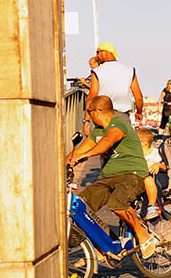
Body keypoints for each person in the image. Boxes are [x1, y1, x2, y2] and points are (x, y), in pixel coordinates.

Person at [65, 96, 157, 257]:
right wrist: (63, 163)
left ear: (98, 111)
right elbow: (78, 151)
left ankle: (142, 234)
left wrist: (85, 156)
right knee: (81, 207)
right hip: (108, 178)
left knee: (117, 204)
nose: (88, 115)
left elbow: (108, 142)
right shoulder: (97, 131)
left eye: (89, 112)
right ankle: (106, 246)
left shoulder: (119, 125)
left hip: (132, 174)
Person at [86, 42, 144, 124]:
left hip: (103, 117)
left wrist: (86, 120)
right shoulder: (130, 70)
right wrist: (139, 112)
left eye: (98, 52)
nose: (96, 56)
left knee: (104, 137)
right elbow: (138, 97)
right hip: (123, 117)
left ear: (105, 52)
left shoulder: (97, 72)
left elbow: (92, 96)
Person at [136, 128, 168, 220]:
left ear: (144, 144)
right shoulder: (138, 155)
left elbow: (165, 166)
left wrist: (158, 165)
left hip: (156, 178)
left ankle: (151, 206)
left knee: (149, 181)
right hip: (142, 178)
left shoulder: (154, 153)